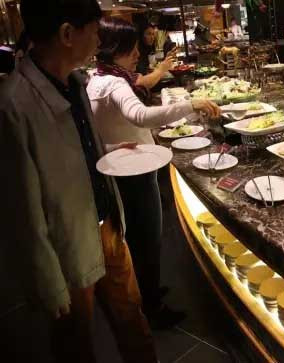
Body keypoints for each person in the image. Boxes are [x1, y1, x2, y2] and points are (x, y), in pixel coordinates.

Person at [0, 0, 157, 362]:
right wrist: (47, 279)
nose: (99, 41)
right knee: (74, 340)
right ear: (68, 34)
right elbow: (20, 206)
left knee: (132, 318)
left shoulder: (75, 82)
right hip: (65, 241)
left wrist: (113, 150)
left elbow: (76, 149)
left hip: (106, 222)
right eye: (94, 31)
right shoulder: (14, 105)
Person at [86, 16, 221, 328]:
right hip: (135, 171)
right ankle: (151, 306)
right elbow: (141, 116)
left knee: (135, 236)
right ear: (114, 49)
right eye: (130, 49)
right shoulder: (114, 82)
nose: (137, 54)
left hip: (120, 167)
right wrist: (192, 104)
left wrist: (109, 146)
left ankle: (146, 292)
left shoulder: (97, 78)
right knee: (146, 238)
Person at [135, 22, 177, 90]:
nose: (152, 37)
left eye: (153, 34)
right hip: (147, 86)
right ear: (141, 35)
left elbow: (157, 65)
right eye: (148, 34)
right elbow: (142, 73)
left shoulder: (153, 49)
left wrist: (167, 58)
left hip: (158, 82)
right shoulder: (137, 53)